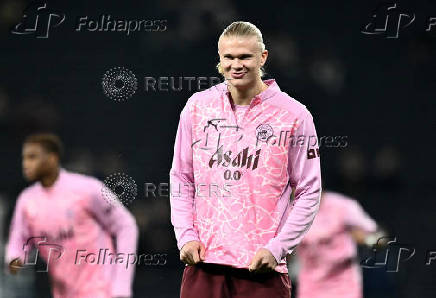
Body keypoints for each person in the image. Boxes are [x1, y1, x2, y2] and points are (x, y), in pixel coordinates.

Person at [169, 21, 322, 298]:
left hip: (261, 269)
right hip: (205, 262)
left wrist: (278, 249)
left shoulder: (294, 116)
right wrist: (186, 236)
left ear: (262, 57)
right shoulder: (197, 107)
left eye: (244, 57)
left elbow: (309, 191)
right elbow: (181, 177)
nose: (236, 65)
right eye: (229, 57)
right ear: (219, 59)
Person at [5, 133, 138, 298]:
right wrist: (15, 257)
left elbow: (126, 225)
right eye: (24, 158)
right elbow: (19, 236)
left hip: (102, 289)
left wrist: (121, 286)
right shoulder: (27, 200)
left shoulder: (89, 188)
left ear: (52, 159)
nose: (26, 164)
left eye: (32, 157)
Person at [295, 191, 379, 298]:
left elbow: (377, 236)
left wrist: (367, 239)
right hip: (311, 284)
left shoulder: (342, 206)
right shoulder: (291, 211)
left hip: (343, 283)